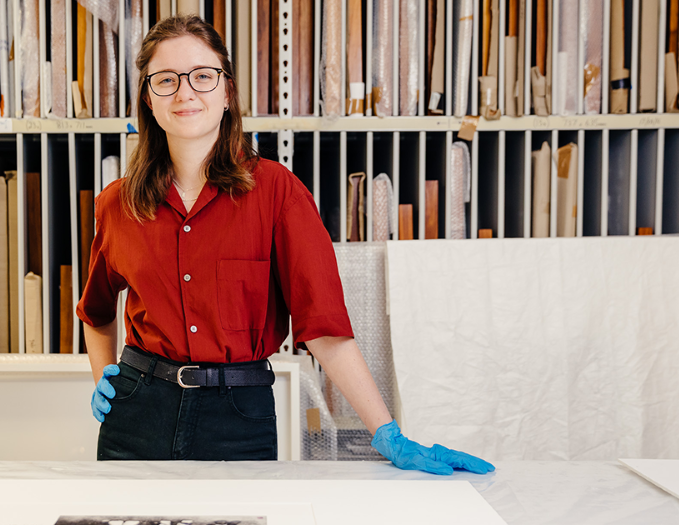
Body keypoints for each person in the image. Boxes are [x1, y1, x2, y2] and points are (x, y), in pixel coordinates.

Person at [76, 14, 493, 474]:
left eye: (202, 76)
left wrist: (386, 433)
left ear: (228, 92)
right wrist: (104, 379)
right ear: (148, 99)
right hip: (137, 415)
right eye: (166, 79)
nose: (185, 91)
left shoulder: (277, 193)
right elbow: (96, 312)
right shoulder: (118, 204)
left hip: (237, 416)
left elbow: (324, 328)